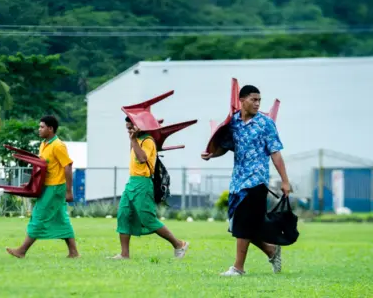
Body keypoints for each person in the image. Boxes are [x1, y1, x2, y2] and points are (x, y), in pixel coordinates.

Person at [201, 85, 292, 276]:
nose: (258, 104)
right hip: (237, 181)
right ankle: (271, 250)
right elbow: (224, 147)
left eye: (259, 100)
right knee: (239, 225)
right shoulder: (233, 122)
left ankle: (238, 268)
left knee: (243, 223)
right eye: (253, 99)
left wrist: (285, 181)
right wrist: (211, 154)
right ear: (242, 100)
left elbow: (275, 152)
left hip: (257, 181)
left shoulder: (266, 124)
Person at [110, 117, 189, 260]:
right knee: (123, 214)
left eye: (130, 128)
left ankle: (179, 244)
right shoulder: (136, 139)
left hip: (143, 183)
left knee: (148, 219)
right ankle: (124, 254)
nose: (128, 131)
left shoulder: (148, 141)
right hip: (132, 182)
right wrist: (133, 139)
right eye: (127, 128)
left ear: (139, 126)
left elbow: (142, 159)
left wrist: (133, 140)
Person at [7, 115, 80, 259]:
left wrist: (69, 191)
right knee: (61, 219)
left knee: (39, 216)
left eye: (42, 127)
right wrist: (30, 184)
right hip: (47, 187)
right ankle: (73, 252)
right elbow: (41, 169)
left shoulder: (58, 145)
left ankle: (21, 251)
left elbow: (68, 166)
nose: (38, 129)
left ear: (50, 129)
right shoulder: (44, 144)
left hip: (55, 188)